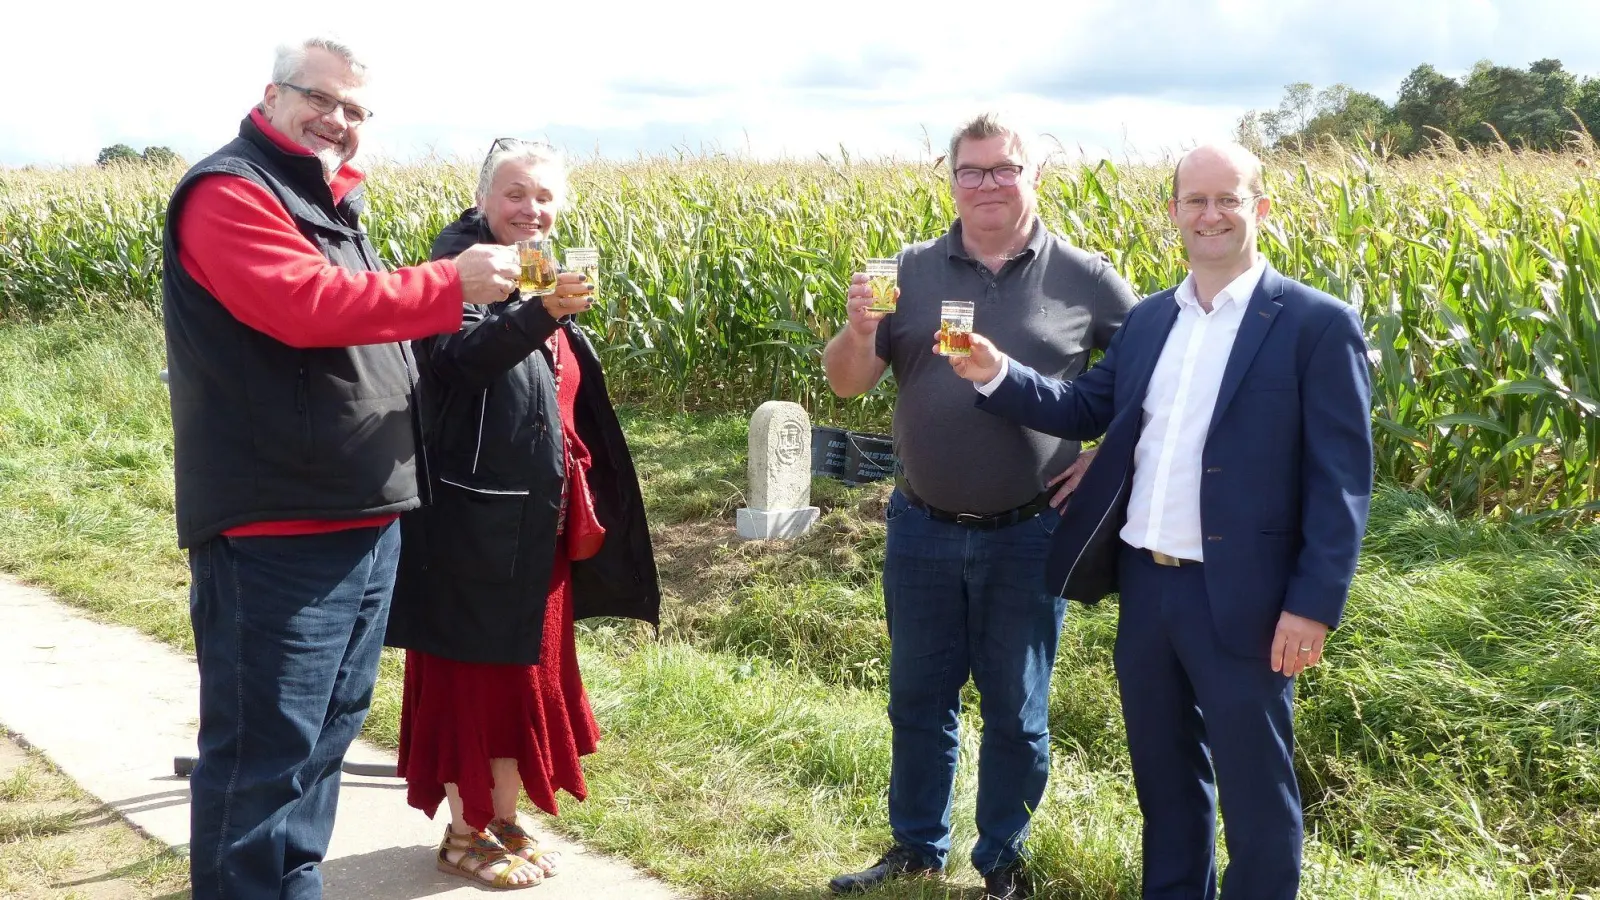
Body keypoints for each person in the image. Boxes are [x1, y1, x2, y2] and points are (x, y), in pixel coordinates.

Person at [949, 142, 1374, 900]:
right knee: (1165, 781)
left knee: (1255, 789)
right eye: (1195, 201)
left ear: (1260, 209)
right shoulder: (1150, 320)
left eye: (1228, 199)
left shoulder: (1316, 324)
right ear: (1173, 213)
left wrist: (1313, 605)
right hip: (1150, 589)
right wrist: (997, 374)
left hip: (1249, 595)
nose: (1210, 215)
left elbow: (1342, 483)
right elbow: (1086, 408)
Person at [161, 36, 521, 900]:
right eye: (320, 100)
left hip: (361, 518)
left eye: (356, 111)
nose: (338, 121)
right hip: (276, 529)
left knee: (322, 746)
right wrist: (447, 284)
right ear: (271, 96)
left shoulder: (322, 200)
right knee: (261, 760)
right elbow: (300, 305)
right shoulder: (230, 191)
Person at [823, 113, 1140, 900]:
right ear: (951, 178)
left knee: (1017, 710)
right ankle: (916, 850)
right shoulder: (908, 269)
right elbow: (845, 382)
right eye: (973, 171)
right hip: (921, 526)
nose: (988, 184)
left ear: (1034, 176)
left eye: (1004, 169)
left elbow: (1158, 374)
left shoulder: (1085, 276)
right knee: (918, 702)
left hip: (1028, 532)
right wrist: (861, 328)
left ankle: (1001, 859)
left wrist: (1106, 455)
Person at [384, 138, 661, 890]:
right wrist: (541, 313)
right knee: (471, 685)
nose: (529, 209)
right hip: (472, 530)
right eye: (514, 193)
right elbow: (455, 361)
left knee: (523, 684)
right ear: (482, 200)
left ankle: (501, 822)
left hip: (536, 527)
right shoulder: (459, 272)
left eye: (543, 196)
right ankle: (465, 831)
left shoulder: (541, 276)